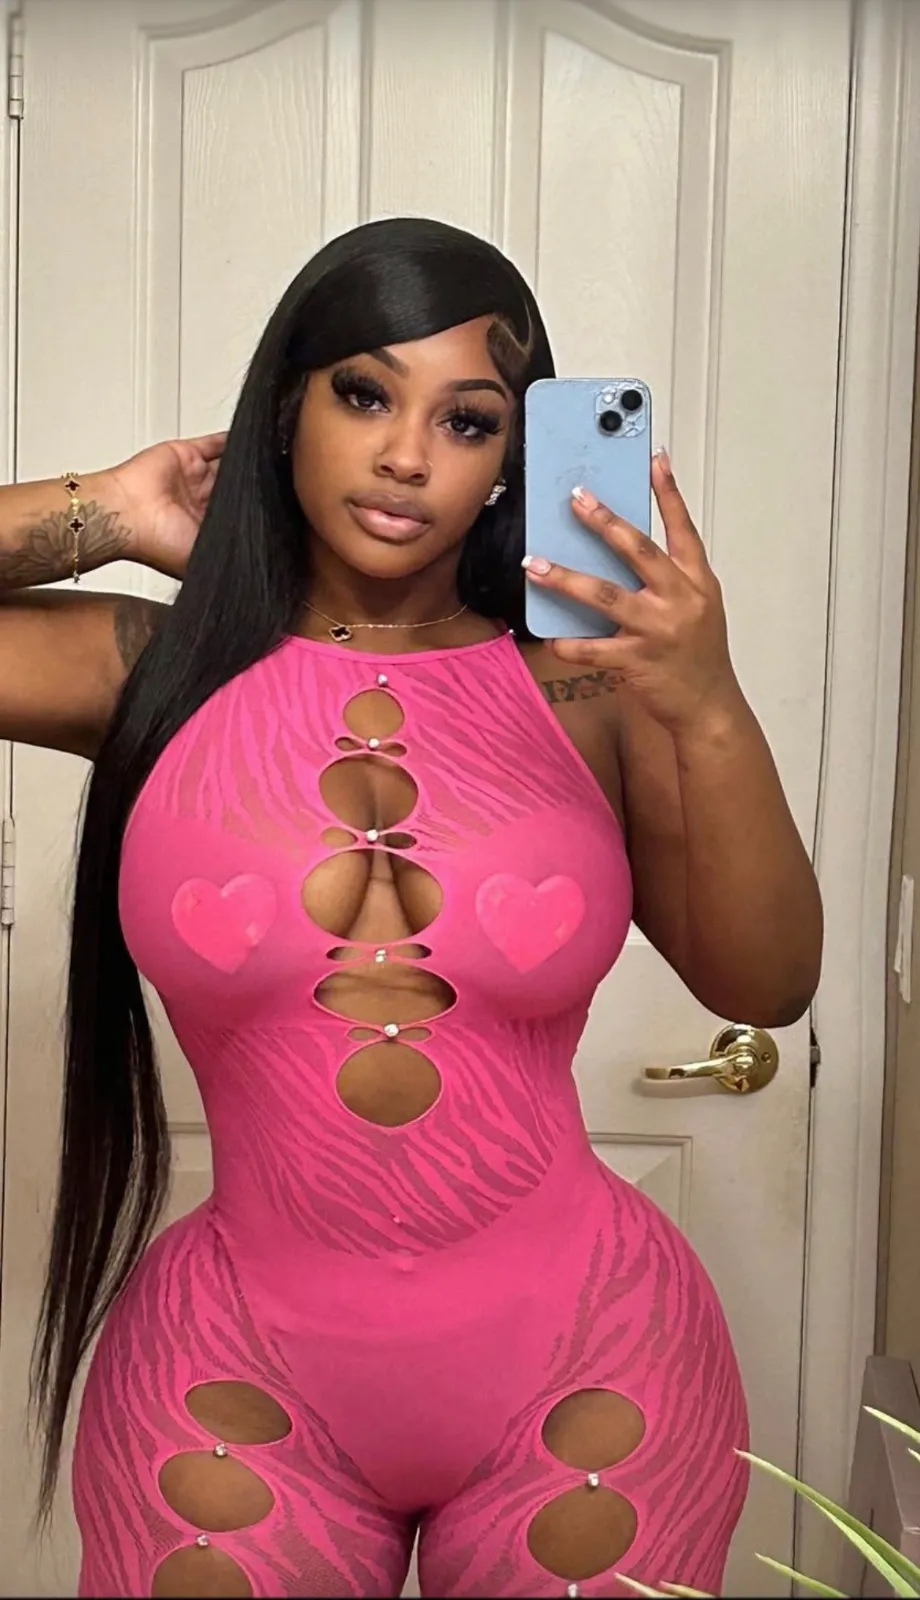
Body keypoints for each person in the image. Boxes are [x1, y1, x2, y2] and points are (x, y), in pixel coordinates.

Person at [0, 217, 822, 1599]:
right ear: (285, 410)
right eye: (366, 394)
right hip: (235, 1368)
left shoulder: (592, 688)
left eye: (468, 420)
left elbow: (767, 983)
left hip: (595, 1367)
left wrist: (707, 699)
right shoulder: (156, 671)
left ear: (513, 458)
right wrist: (112, 508)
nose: (406, 457)